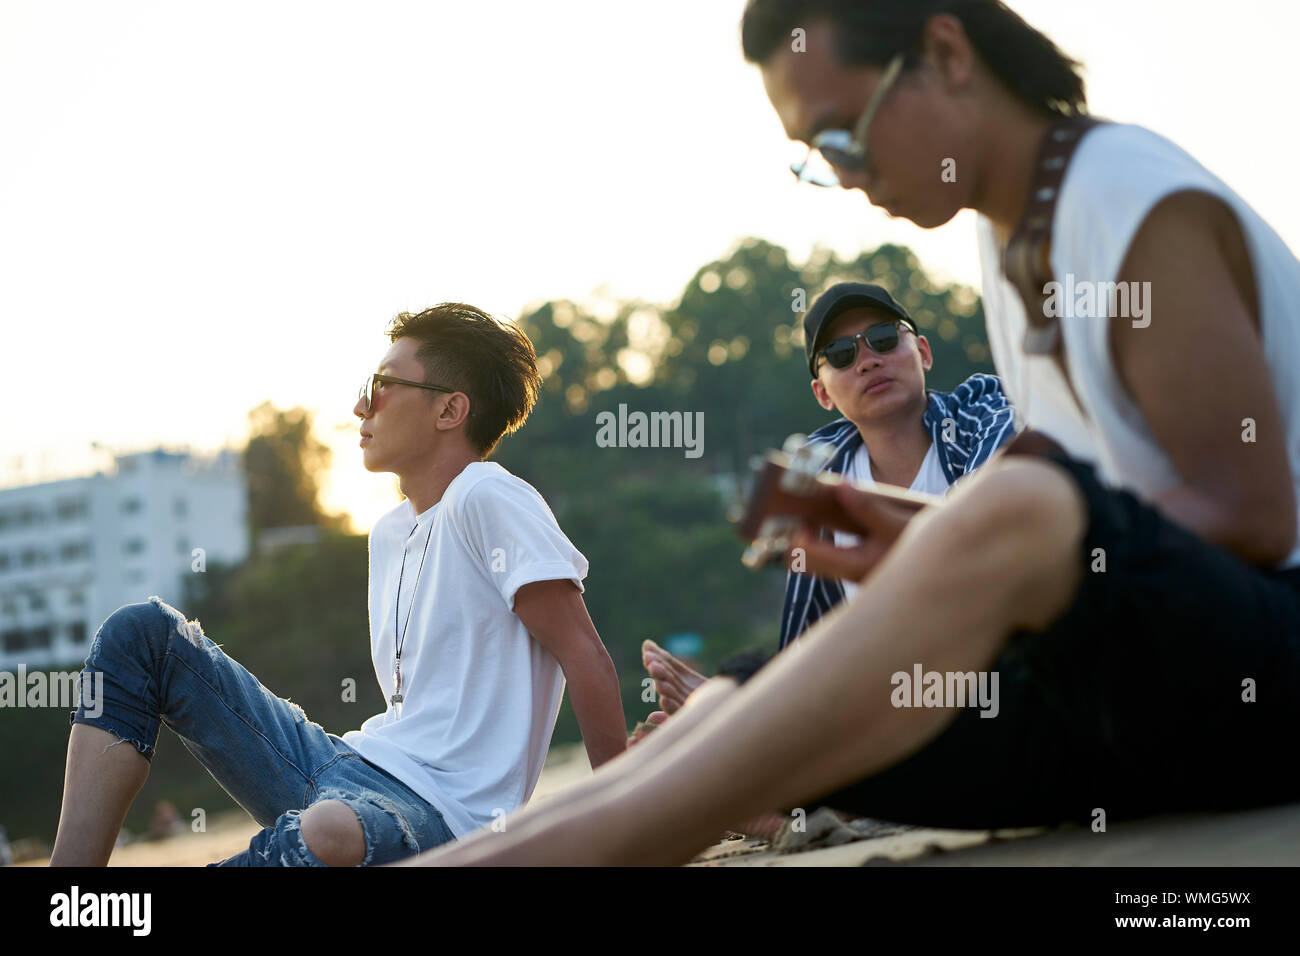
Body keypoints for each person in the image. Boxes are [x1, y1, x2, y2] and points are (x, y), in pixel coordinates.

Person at [405, 0, 1300, 865]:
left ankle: (590, 852)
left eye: (843, 133)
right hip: (1139, 695)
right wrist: (920, 542)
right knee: (739, 696)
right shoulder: (1008, 237)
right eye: (815, 155)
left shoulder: (1122, 194)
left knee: (1019, 502)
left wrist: (981, 546)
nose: (848, 171)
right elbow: (1098, 529)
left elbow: (1255, 515)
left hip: (1261, 672)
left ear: (947, 54)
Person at [50, 303, 627, 866]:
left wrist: (621, 816)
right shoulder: (390, 533)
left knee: (329, 830)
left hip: (443, 816)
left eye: (381, 386)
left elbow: (585, 655)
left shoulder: (486, 495)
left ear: (450, 410)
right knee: (142, 633)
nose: (359, 406)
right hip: (345, 764)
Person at [643, 281, 1017, 718]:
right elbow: (811, 640)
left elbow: (989, 531)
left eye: (883, 339)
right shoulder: (816, 476)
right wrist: (738, 711)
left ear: (924, 352)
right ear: (822, 393)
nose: (868, 361)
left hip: (1003, 681)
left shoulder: (983, 417)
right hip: (891, 706)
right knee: (717, 713)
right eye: (841, 355)